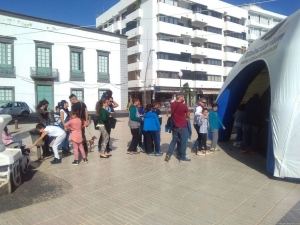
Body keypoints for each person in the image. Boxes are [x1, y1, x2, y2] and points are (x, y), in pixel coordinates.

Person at [165, 92, 191, 162]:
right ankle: (182, 157)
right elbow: (188, 114)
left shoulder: (172, 105)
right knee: (183, 142)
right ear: (180, 97)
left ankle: (168, 155)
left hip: (175, 126)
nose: (184, 98)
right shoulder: (184, 105)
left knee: (174, 141)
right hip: (182, 126)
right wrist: (186, 117)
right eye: (184, 97)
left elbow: (171, 104)